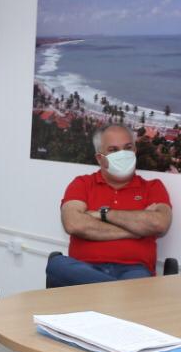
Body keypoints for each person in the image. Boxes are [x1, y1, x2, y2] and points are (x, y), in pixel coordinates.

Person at [45, 123, 172, 288]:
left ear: (134, 151)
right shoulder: (82, 184)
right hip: (83, 270)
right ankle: (116, 291)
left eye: (128, 147)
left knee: (137, 283)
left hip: (134, 271)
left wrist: (103, 214)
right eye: (113, 150)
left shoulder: (153, 187)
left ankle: (109, 291)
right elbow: (73, 223)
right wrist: (135, 231)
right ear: (100, 158)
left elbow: (159, 223)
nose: (123, 154)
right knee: (57, 264)